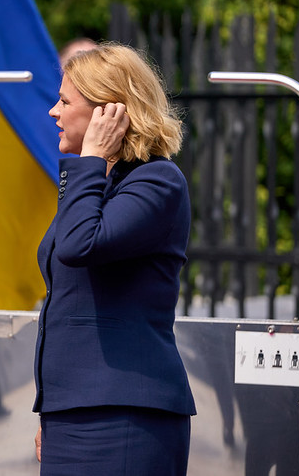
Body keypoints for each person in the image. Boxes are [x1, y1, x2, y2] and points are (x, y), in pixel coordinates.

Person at [32, 42, 196, 475]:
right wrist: (55, 406)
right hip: (73, 410)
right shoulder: (100, 183)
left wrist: (92, 157)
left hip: (124, 415)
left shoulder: (158, 180)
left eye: (65, 101)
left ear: (109, 111)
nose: (54, 112)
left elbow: (79, 246)